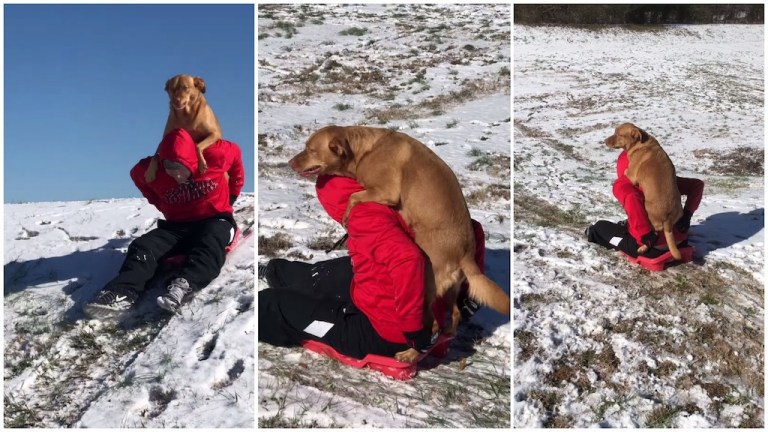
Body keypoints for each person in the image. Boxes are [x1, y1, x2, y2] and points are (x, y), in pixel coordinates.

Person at [258, 174, 484, 360]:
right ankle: (275, 271)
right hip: (382, 291)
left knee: (272, 305)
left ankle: (267, 305)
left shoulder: (363, 215)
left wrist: (417, 333)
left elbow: (407, 260)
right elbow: (471, 231)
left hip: (383, 332)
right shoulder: (412, 204)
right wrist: (466, 297)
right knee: (324, 275)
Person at [84, 128, 244, 318]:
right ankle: (122, 292)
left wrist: (232, 195)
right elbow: (137, 176)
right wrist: (160, 203)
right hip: (177, 226)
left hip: (215, 220)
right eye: (170, 172)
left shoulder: (216, 154)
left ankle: (185, 284)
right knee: (143, 246)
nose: (176, 177)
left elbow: (236, 159)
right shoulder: (150, 169)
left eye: (181, 171)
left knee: (211, 240)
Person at [586, 149, 704, 258]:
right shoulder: (664, 179)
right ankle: (630, 228)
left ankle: (593, 233)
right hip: (680, 241)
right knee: (629, 223)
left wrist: (646, 236)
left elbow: (632, 199)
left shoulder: (624, 184)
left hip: (651, 248)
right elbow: (697, 186)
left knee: (601, 227)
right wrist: (686, 216)